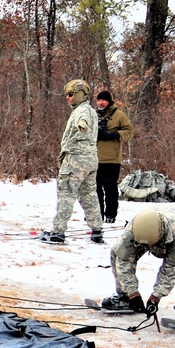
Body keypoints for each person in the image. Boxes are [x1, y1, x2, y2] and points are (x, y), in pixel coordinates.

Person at [100, 206, 175, 328]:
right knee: (117, 252)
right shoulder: (133, 229)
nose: (149, 247)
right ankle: (124, 297)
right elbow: (123, 260)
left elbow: (173, 267)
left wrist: (156, 297)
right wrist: (132, 293)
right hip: (159, 220)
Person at [41, 79, 105, 245]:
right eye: (67, 95)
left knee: (66, 193)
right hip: (90, 159)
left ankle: (58, 232)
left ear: (80, 95)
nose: (67, 98)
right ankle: (97, 230)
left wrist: (82, 125)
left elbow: (82, 121)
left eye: (70, 95)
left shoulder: (82, 112)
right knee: (89, 195)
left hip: (76, 159)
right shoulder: (91, 110)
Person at [95, 89, 134, 223]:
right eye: (99, 100)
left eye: (103, 100)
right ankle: (96, 214)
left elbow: (129, 131)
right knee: (95, 189)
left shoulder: (119, 115)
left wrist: (114, 135)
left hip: (112, 159)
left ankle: (110, 214)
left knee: (110, 190)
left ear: (109, 101)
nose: (101, 103)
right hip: (94, 159)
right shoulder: (92, 115)